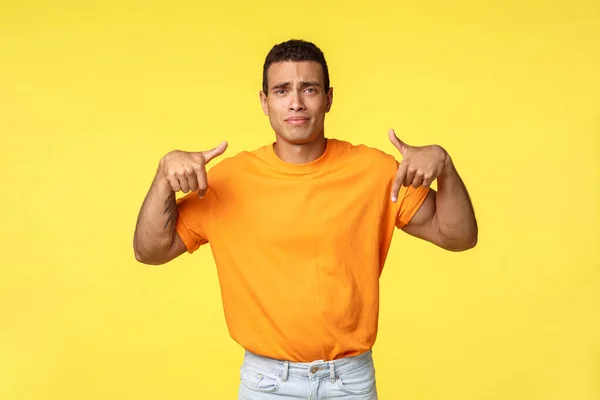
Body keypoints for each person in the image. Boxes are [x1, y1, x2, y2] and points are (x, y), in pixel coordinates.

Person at [133, 39, 478, 399]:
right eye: (282, 90)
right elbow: (150, 251)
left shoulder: (375, 172)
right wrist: (163, 179)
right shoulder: (226, 182)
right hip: (267, 383)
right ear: (264, 101)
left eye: (308, 88)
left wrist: (445, 166)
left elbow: (458, 236)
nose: (296, 101)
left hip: (350, 381)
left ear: (328, 98)